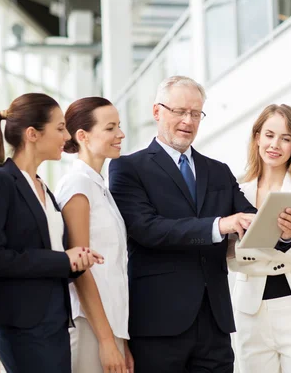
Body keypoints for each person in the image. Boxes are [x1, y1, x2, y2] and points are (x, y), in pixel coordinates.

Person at [109, 76, 258, 373]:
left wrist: (283, 232)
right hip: (158, 323)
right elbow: (146, 229)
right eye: (179, 111)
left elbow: (250, 220)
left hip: (214, 323)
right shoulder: (128, 168)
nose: (188, 121)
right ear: (156, 112)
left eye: (195, 113)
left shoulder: (218, 171)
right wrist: (218, 226)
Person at [0, 93, 104, 373]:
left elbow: (54, 252)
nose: (66, 136)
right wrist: (62, 261)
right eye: (59, 128)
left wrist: (76, 261)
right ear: (32, 134)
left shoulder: (43, 188)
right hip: (23, 325)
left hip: (54, 322)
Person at [226, 104, 291, 373]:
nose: (275, 144)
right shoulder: (238, 191)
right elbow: (230, 257)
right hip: (250, 311)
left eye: (286, 138)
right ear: (257, 136)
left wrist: (262, 248)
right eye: (269, 135)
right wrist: (283, 241)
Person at [55, 97, 133, 373]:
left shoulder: (98, 185)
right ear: (82, 136)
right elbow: (80, 268)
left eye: (119, 126)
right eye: (110, 128)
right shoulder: (77, 184)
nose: (120, 134)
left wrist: (119, 340)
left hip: (109, 324)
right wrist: (106, 341)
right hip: (90, 325)